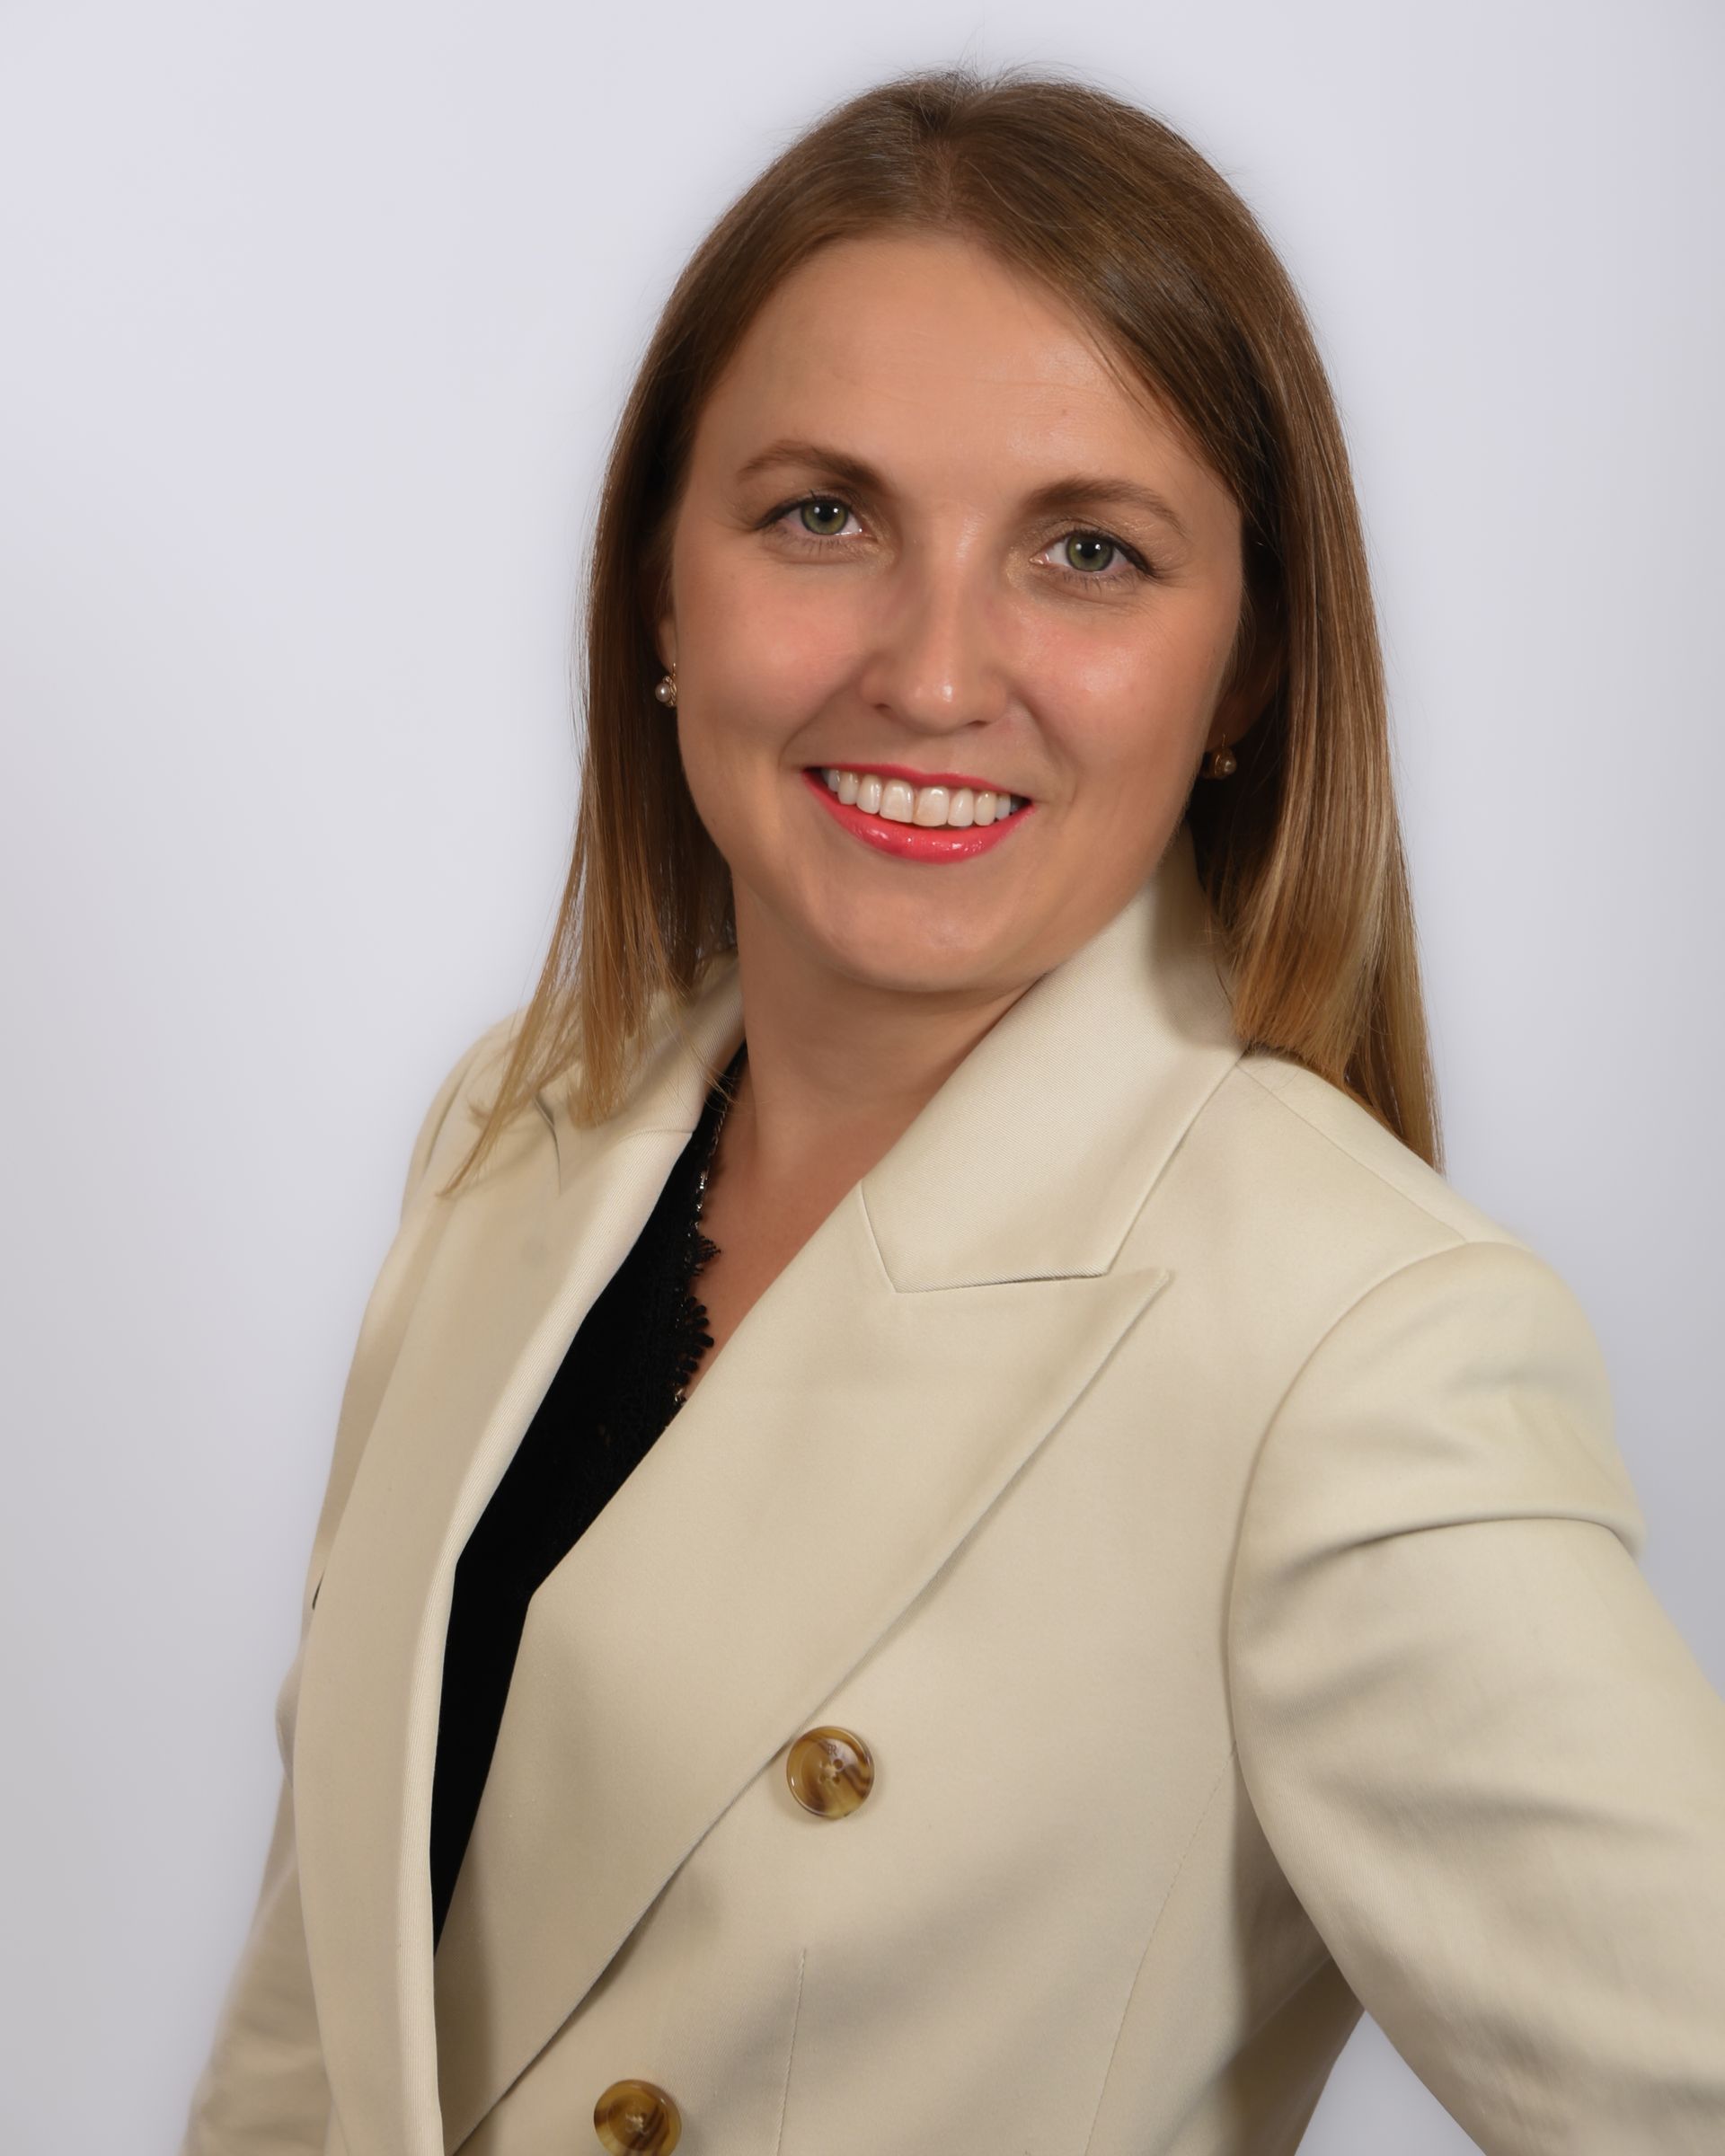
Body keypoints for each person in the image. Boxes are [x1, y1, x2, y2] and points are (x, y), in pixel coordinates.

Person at [179, 61, 1725, 2156]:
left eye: (1088, 552)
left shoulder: (1349, 1336)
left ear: (1247, 673)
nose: (930, 669)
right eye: (823, 516)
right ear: (659, 587)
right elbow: (320, 2029)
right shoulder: (519, 1127)